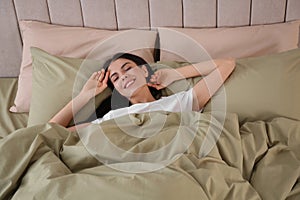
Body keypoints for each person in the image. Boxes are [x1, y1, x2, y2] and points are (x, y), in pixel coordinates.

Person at [49, 53, 236, 131]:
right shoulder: (111, 117)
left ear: (144, 71)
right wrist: (84, 96)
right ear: (119, 92)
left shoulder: (179, 102)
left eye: (127, 68)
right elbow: (51, 130)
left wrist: (174, 74)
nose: (122, 76)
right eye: (115, 78)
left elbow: (226, 64)